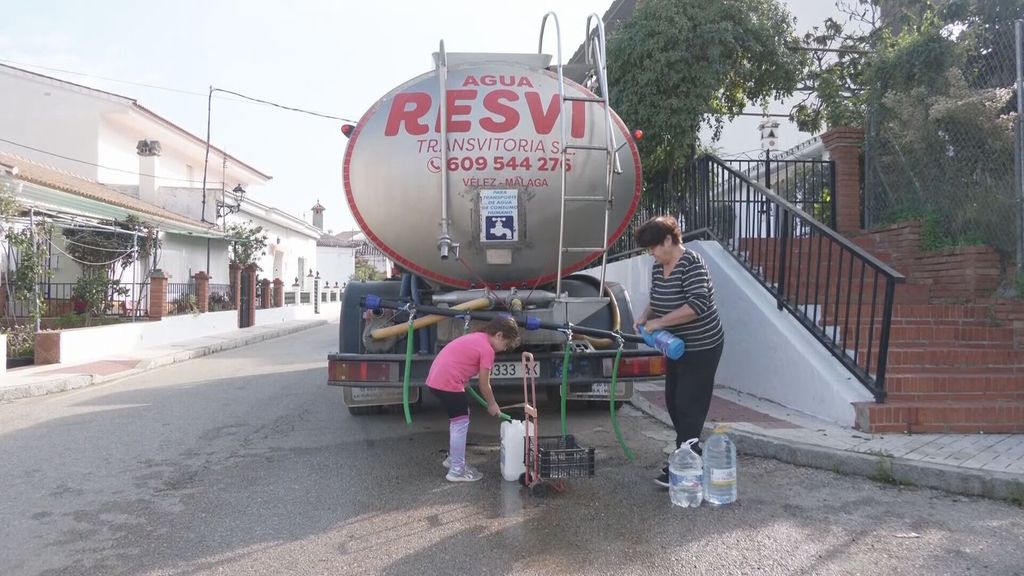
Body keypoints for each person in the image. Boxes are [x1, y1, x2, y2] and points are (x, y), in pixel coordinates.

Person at [634, 215, 725, 488]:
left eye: (653, 247)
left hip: (702, 346)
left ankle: (687, 464)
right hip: (675, 347)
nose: (651, 253)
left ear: (668, 240)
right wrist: (644, 316)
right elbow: (657, 298)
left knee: (689, 404)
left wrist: (659, 322)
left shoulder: (692, 264)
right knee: (673, 401)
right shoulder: (657, 266)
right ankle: (687, 454)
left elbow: (697, 306)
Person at [426, 315, 520, 482]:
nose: (504, 349)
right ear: (498, 335)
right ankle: (457, 470)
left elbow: (460, 359)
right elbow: (484, 384)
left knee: (460, 418)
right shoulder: (487, 350)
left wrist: (464, 378)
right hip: (448, 382)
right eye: (505, 344)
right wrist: (492, 404)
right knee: (460, 423)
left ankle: (453, 460)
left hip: (436, 379)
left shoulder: (477, 337)